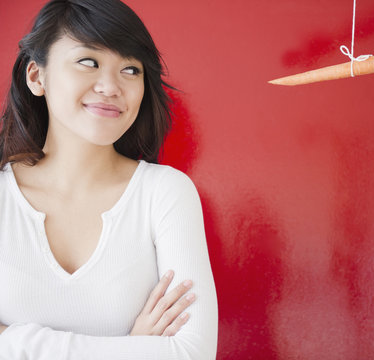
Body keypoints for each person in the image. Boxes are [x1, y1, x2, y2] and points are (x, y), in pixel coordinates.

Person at [0, 0, 218, 358]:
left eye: (131, 70)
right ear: (37, 76)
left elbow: (192, 353)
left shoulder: (164, 194)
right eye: (89, 61)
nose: (111, 86)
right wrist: (133, 348)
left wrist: (13, 341)